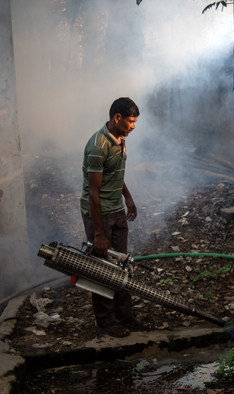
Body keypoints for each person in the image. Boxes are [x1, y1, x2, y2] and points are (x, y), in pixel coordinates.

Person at [80, 97, 147, 337]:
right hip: (99, 213)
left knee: (121, 264)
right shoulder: (98, 146)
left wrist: (127, 198)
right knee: (102, 267)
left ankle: (124, 314)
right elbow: (93, 193)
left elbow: (115, 174)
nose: (133, 126)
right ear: (117, 118)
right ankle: (106, 321)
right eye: (130, 121)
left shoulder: (120, 139)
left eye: (135, 121)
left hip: (116, 209)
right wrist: (98, 234)